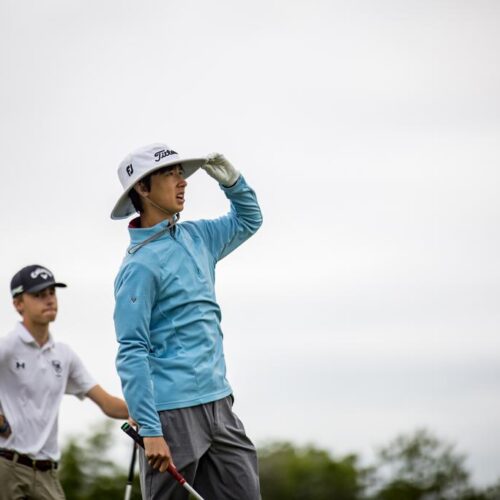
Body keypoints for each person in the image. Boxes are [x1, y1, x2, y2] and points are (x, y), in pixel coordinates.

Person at [111, 143, 263, 499]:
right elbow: (132, 349)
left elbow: (249, 219)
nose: (182, 181)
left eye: (181, 173)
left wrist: (234, 183)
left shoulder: (199, 236)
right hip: (172, 415)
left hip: (220, 402)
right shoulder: (138, 267)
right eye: (170, 173)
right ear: (142, 190)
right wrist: (150, 430)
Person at [0, 265, 129, 500]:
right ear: (19, 304)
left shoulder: (64, 355)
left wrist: (146, 413)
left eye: (51, 293)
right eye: (39, 295)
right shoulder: (7, 347)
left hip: (47, 473)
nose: (49, 300)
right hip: (7, 467)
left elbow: (107, 403)